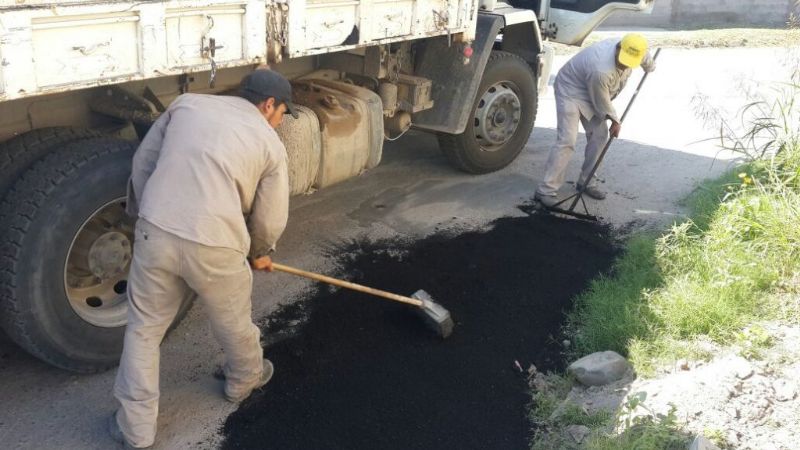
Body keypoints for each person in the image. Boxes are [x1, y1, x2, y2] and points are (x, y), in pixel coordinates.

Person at [109, 69, 298, 449]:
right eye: (282, 113)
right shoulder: (270, 144)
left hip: (156, 231)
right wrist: (259, 253)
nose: (280, 122)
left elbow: (144, 163)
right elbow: (270, 218)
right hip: (217, 243)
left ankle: (135, 430)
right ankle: (243, 380)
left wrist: (149, 217)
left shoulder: (187, 105)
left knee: (144, 329)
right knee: (233, 321)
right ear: (269, 104)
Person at [535, 33, 655, 207]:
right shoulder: (600, 69)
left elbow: (646, 60)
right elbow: (602, 102)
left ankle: (587, 181)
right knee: (567, 140)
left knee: (600, 136)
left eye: (630, 62)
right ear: (619, 48)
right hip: (571, 90)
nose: (625, 65)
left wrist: (650, 67)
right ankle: (545, 190)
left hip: (594, 91)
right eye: (623, 60)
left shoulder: (636, 48)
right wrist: (615, 121)